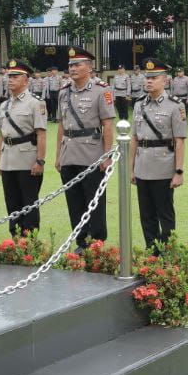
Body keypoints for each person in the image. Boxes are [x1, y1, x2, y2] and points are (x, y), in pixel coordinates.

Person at [55, 46, 115, 245]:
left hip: (92, 154)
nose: (72, 68)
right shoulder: (64, 92)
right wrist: (58, 156)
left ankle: (97, 242)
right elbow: (62, 125)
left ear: (89, 68)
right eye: (70, 64)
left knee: (94, 201)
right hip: (69, 153)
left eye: (77, 64)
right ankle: (80, 241)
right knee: (74, 202)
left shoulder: (101, 90)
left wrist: (107, 156)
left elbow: (107, 125)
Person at [130, 58, 187, 249]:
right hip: (142, 165)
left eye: (154, 78)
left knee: (165, 213)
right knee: (146, 214)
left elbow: (179, 140)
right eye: (147, 78)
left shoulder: (175, 105)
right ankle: (151, 251)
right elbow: (134, 139)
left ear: (165, 81)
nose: (149, 81)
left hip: (164, 166)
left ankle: (167, 250)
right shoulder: (139, 105)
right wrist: (131, 169)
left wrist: (178, 171)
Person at [0, 59, 47, 236]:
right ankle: (15, 238)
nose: (10, 79)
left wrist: (40, 161)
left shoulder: (35, 103)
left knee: (29, 202)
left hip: (27, 159)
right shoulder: (4, 105)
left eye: (15, 76)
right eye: (9, 76)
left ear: (25, 80)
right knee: (11, 202)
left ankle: (30, 240)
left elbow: (41, 134)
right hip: (8, 159)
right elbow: (1, 135)